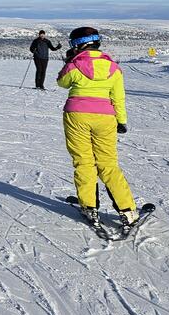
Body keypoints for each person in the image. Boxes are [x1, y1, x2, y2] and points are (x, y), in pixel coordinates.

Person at [56, 26, 137, 230]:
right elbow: (118, 97)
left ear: (76, 45)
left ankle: (89, 206)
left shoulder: (74, 65)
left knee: (83, 162)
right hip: (106, 117)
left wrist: (69, 62)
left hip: (77, 116)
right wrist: (121, 120)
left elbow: (62, 83)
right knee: (108, 164)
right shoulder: (114, 68)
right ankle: (127, 210)